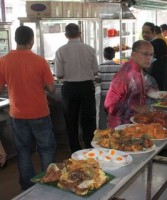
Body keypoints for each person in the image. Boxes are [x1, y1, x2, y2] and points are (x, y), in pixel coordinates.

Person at [0, 25, 56, 190]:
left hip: (17, 114)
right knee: (46, 149)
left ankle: (27, 187)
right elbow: (52, 88)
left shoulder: (4, 61)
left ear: (16, 40)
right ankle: (48, 183)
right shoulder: (40, 61)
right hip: (40, 113)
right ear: (31, 41)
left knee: (23, 151)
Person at [55, 23, 99, 153]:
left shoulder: (60, 50)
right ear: (80, 34)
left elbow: (59, 74)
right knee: (88, 118)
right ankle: (90, 146)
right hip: (86, 86)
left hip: (69, 88)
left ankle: (75, 149)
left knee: (70, 119)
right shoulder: (89, 49)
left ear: (66, 35)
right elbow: (96, 71)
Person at [104, 40, 153, 128]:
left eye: (151, 54)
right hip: (120, 128)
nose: (149, 58)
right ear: (133, 54)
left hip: (134, 125)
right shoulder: (125, 75)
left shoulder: (139, 70)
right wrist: (134, 107)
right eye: (145, 54)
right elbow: (109, 104)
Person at [98, 47, 121, 129]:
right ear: (114, 55)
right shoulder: (119, 67)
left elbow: (98, 79)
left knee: (103, 114)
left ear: (104, 55)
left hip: (104, 95)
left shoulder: (100, 67)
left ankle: (103, 132)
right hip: (116, 95)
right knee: (116, 113)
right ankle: (116, 130)